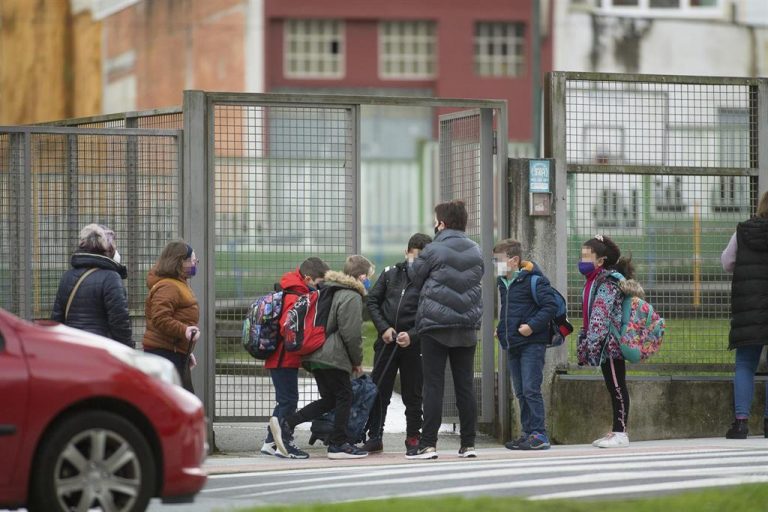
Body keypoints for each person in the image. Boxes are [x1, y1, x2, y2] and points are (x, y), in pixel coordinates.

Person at [270, 255, 374, 460]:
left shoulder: (328, 290)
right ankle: (338, 444)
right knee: (345, 396)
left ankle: (287, 423)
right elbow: (351, 333)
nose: (369, 281)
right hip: (332, 356)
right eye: (369, 276)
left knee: (330, 399)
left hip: (315, 354)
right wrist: (356, 361)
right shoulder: (351, 295)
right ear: (362, 277)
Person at [405, 200, 484, 460]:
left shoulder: (432, 249)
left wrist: (412, 260)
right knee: (465, 386)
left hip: (436, 325)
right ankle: (468, 444)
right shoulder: (476, 249)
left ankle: (428, 444)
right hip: (467, 326)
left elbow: (415, 277)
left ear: (442, 223)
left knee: (433, 385)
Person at [363, 233, 432, 456]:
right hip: (386, 343)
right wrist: (384, 328)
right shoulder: (389, 273)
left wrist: (412, 335)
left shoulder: (431, 281)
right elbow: (372, 301)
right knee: (379, 391)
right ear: (406, 253)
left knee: (413, 393)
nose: (418, 263)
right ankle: (375, 436)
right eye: (415, 257)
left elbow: (430, 315)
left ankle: (413, 437)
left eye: (423, 259)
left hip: (414, 346)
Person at [261, 257, 330, 459]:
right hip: (283, 358)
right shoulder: (295, 296)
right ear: (308, 278)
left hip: (280, 358)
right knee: (289, 402)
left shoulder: (292, 290)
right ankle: (285, 443)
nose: (320, 286)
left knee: (284, 400)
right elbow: (287, 326)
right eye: (319, 282)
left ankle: (271, 442)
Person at [493, 239, 558, 451]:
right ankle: (528, 433)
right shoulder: (503, 282)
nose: (496, 265)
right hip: (513, 343)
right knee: (520, 391)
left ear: (514, 261)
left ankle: (539, 433)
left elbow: (550, 307)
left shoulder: (534, 280)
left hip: (532, 343)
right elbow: (508, 311)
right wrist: (501, 329)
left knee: (531, 388)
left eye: (499, 260)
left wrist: (531, 326)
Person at [577, 234, 634, 448]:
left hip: (610, 344)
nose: (581, 261)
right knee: (613, 386)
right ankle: (617, 430)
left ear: (600, 261)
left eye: (586, 257)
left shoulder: (607, 282)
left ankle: (621, 433)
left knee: (617, 386)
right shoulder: (594, 280)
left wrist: (591, 344)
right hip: (603, 344)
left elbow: (600, 316)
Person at [720, 191, 768, 439]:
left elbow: (727, 261)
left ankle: (740, 424)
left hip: (749, 304)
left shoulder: (743, 231)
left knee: (745, 364)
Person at [51, 223, 132, 347]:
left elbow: (57, 318)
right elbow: (119, 322)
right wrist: (127, 349)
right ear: (109, 249)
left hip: (72, 346)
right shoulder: (111, 278)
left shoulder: (67, 276)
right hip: (99, 347)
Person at [142, 241, 201, 393]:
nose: (195, 264)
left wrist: (185, 350)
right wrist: (185, 331)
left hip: (174, 352)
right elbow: (160, 318)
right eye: (193, 260)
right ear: (180, 262)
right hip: (165, 354)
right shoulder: (169, 286)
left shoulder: (178, 283)